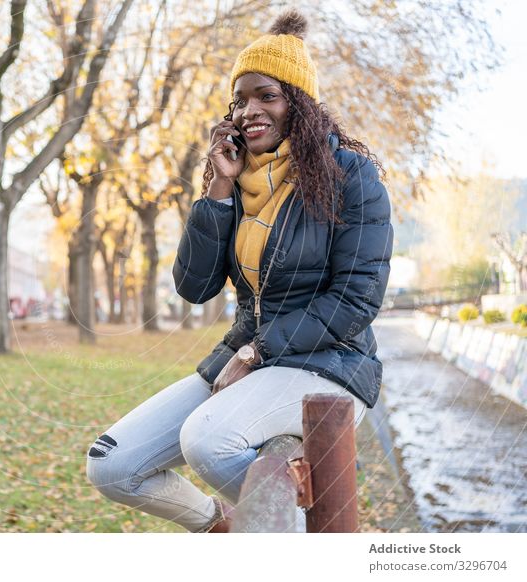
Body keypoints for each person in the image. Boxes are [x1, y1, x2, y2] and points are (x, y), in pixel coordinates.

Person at [86, 9, 393, 533]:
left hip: (332, 365)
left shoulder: (352, 178)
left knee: (207, 440)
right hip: (252, 357)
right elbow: (194, 286)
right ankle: (222, 528)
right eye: (241, 99)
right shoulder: (238, 182)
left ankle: (301, 542)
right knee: (111, 464)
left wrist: (258, 352)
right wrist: (219, 191)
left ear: (299, 104)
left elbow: (357, 298)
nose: (250, 110)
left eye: (266, 96)